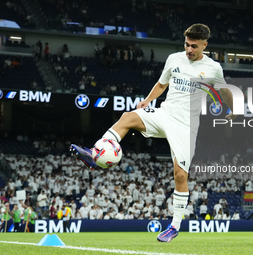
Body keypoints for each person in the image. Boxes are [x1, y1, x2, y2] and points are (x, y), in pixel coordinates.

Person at [70, 23, 236, 242]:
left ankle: (174, 226)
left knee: (180, 175)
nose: (188, 49)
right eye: (186, 44)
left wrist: (232, 109)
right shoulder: (174, 59)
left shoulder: (213, 68)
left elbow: (223, 91)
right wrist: (147, 101)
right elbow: (161, 84)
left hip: (186, 126)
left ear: (205, 45)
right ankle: (94, 154)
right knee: (128, 117)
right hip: (165, 114)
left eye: (194, 46)